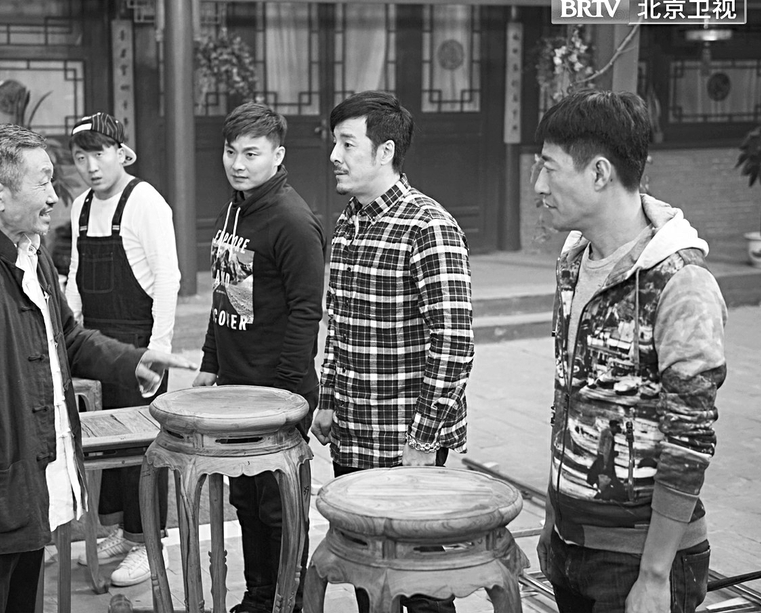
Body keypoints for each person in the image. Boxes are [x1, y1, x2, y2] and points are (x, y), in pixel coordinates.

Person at [0, 124, 194, 613]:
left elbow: (67, 337)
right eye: (43, 181)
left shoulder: (30, 251)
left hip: (28, 489)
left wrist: (134, 360)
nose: (53, 196)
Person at [532, 90, 727, 613]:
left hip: (639, 560)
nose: (539, 186)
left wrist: (656, 576)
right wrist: (553, 519)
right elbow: (570, 401)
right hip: (571, 544)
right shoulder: (574, 261)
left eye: (549, 167)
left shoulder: (682, 283)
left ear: (599, 173)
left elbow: (690, 439)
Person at [310, 90, 473, 613]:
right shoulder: (348, 222)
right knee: (367, 574)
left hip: (406, 439)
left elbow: (454, 343)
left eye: (347, 144)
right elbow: (339, 323)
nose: (334, 156)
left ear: (385, 151)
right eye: (335, 143)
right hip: (354, 431)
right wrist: (328, 399)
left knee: (421, 583)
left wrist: (424, 440)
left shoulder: (428, 226)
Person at [193, 101, 326, 613]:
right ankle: (259, 596)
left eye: (251, 153)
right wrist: (210, 363)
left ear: (278, 155)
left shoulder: (292, 221)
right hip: (236, 388)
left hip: (277, 391)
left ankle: (289, 601)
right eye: (231, 152)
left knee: (278, 507)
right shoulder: (235, 209)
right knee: (245, 501)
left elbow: (306, 312)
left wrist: (286, 396)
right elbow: (224, 296)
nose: (238, 163)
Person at [65, 112, 180, 585]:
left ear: (120, 153)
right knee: (103, 450)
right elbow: (75, 276)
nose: (91, 166)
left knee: (143, 451)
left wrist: (157, 350)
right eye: (81, 157)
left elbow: (168, 279)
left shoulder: (146, 201)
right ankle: (120, 533)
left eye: (99, 154)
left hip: (138, 344)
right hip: (95, 346)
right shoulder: (80, 206)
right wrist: (65, 332)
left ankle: (150, 546)